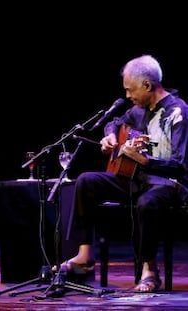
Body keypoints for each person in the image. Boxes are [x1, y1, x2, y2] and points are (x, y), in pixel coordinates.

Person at [61, 54, 188, 293]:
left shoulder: (178, 112)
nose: (128, 96)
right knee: (86, 181)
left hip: (167, 184)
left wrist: (145, 161)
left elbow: (180, 165)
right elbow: (116, 121)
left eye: (130, 90)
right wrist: (110, 135)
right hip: (136, 180)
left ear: (147, 85)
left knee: (146, 203)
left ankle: (149, 270)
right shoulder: (138, 110)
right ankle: (84, 257)